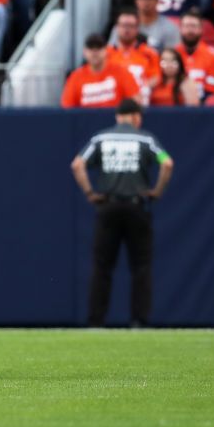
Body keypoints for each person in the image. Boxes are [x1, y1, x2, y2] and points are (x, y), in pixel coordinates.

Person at [70, 99, 175, 327]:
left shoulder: (101, 138)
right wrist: (156, 191)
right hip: (137, 206)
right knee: (141, 266)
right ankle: (139, 320)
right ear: (136, 117)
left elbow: (77, 164)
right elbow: (167, 163)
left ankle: (96, 321)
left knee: (102, 266)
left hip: (108, 206)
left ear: (118, 117)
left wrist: (90, 192)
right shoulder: (145, 139)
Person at [60, 33, 141, 109]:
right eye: (91, 48)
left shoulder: (121, 72)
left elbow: (135, 101)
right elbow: (67, 108)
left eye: (99, 48)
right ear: (84, 52)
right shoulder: (75, 77)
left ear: (106, 50)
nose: (95, 52)